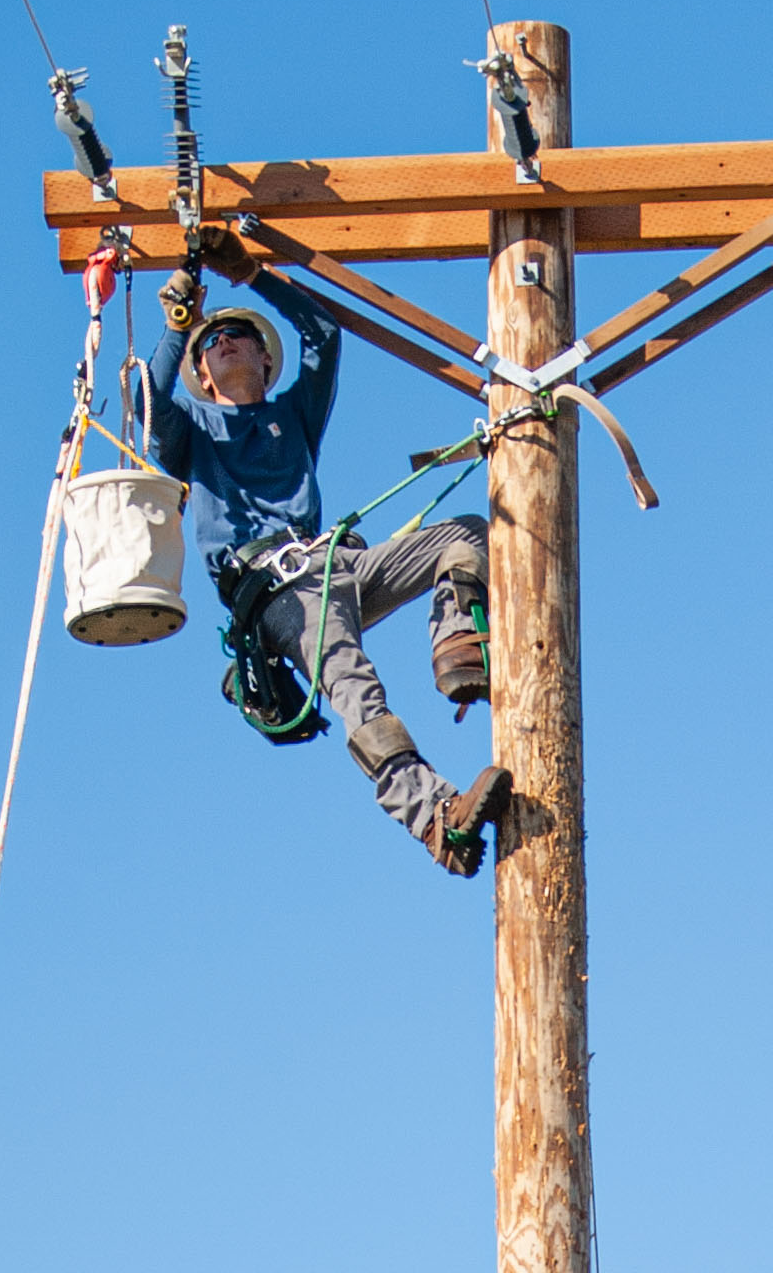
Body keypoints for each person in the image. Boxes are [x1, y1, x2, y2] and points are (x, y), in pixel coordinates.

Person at [145, 266, 508, 881]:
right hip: (278, 588)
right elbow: (149, 404)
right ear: (202, 375)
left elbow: (323, 333)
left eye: (239, 335)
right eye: (213, 341)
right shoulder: (193, 434)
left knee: (467, 535)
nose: (224, 340)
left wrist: (250, 271)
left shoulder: (295, 415)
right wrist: (179, 324)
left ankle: (458, 648)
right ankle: (436, 818)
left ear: (266, 361)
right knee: (354, 685)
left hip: (339, 560)